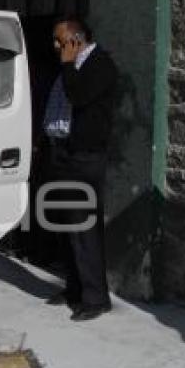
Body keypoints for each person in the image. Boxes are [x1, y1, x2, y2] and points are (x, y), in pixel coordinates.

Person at [41, 17, 117, 321]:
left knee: (83, 228)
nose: (56, 46)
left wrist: (68, 64)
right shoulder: (68, 66)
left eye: (60, 40)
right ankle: (74, 288)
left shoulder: (100, 65)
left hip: (83, 157)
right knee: (65, 225)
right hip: (61, 153)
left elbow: (79, 96)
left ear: (76, 40)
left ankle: (96, 298)